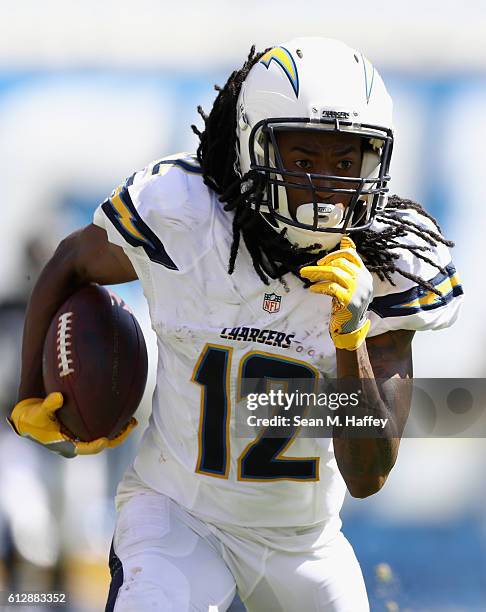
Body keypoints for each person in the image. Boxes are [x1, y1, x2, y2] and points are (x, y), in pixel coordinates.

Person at [8, 37, 463, 611]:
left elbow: (367, 472)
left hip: (304, 542)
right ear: (252, 149)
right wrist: (30, 390)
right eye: (302, 161)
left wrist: (352, 339)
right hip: (179, 515)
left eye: (346, 163)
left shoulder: (387, 267)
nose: (325, 188)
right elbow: (71, 260)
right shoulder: (186, 214)